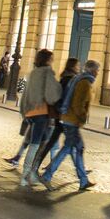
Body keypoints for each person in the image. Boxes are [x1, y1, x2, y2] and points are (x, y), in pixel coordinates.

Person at [41, 59, 98, 191]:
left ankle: (83, 180)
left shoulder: (80, 79)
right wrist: (83, 117)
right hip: (72, 120)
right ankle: (47, 175)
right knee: (68, 148)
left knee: (78, 147)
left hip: (68, 118)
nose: (98, 73)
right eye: (97, 70)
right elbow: (78, 104)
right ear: (93, 71)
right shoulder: (84, 83)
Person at [17, 48, 62, 188]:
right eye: (51, 59)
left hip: (30, 113)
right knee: (35, 145)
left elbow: (25, 93)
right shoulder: (47, 73)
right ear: (47, 60)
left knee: (42, 143)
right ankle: (25, 175)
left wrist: (24, 111)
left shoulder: (33, 73)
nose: (52, 61)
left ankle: (31, 173)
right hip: (41, 113)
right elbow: (51, 95)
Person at [33, 57, 79, 171]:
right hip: (65, 115)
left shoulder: (64, 77)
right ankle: (80, 171)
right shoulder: (70, 79)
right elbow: (68, 98)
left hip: (60, 115)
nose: (79, 67)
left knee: (56, 143)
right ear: (73, 66)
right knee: (72, 144)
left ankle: (36, 165)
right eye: (78, 65)